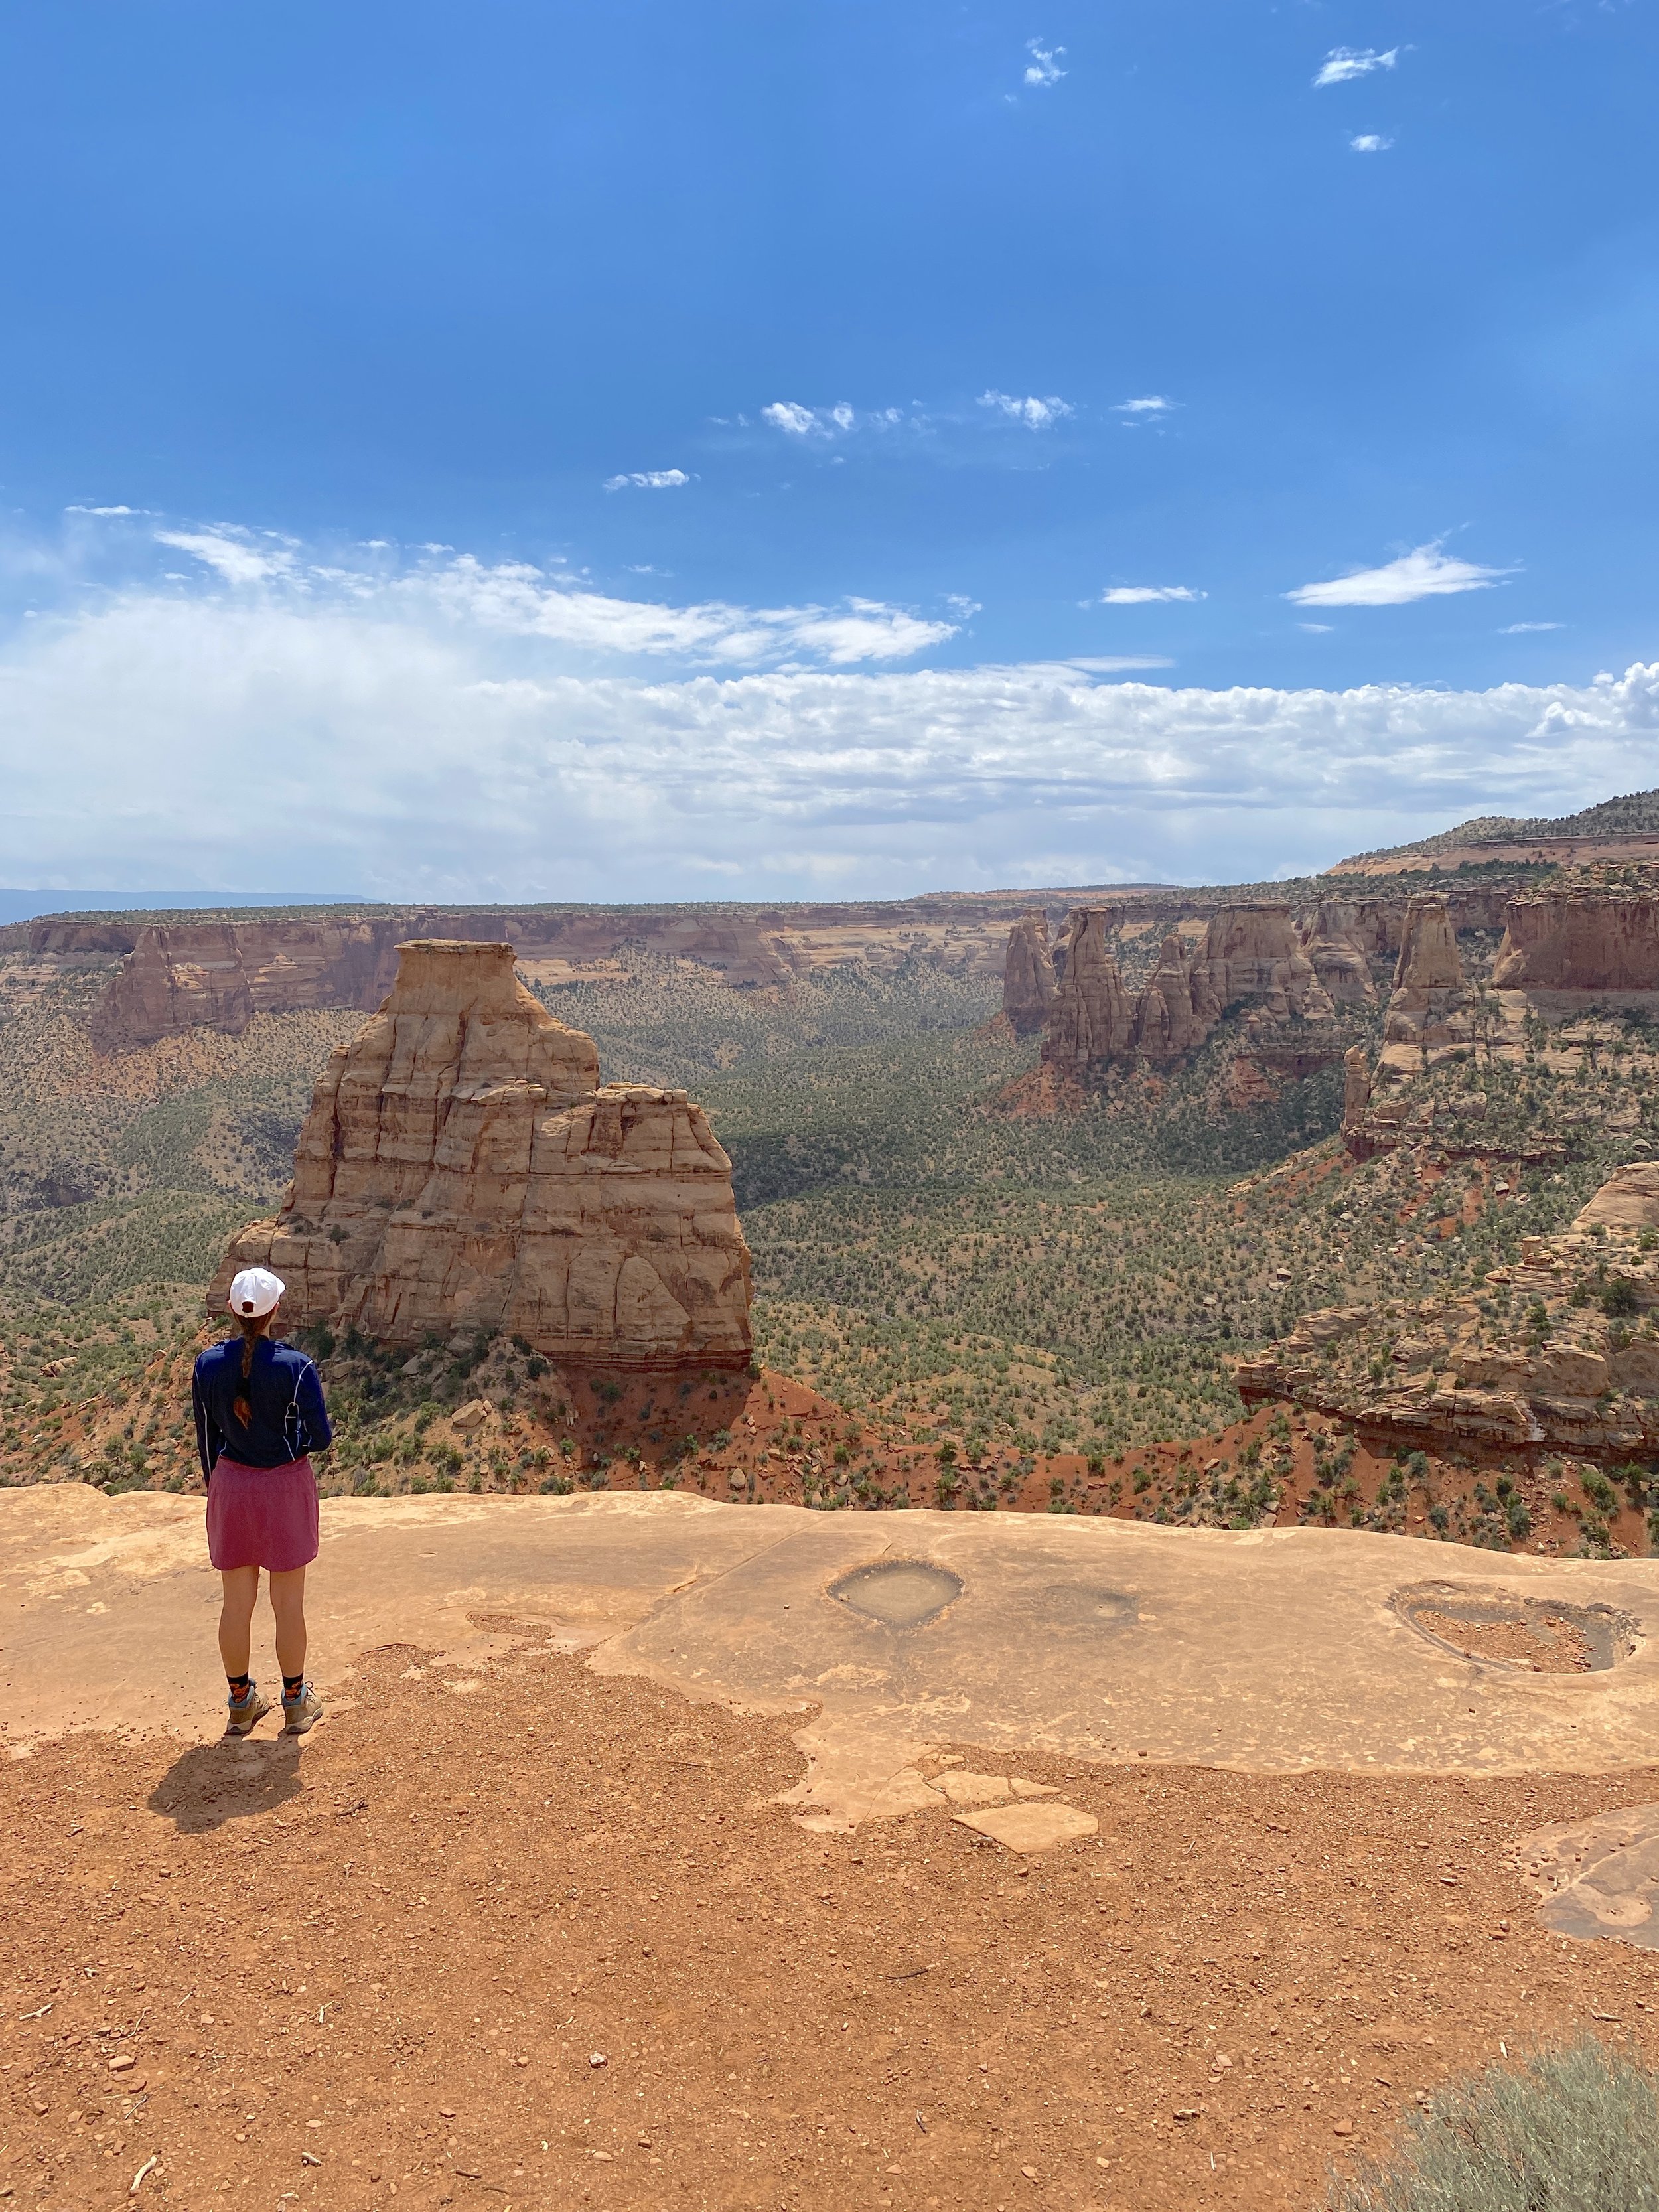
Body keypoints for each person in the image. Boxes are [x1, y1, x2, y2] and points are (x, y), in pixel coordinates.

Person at [192, 1266, 333, 1737]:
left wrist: (218, 1489)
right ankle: (296, 1701)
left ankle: (241, 1702)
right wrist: (288, 1447)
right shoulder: (297, 1367)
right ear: (276, 1310)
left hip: (232, 1487)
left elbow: (207, 1437)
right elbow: (321, 1437)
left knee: (236, 1605)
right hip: (284, 1488)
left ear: (232, 1311)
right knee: (288, 1604)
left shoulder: (207, 1365)